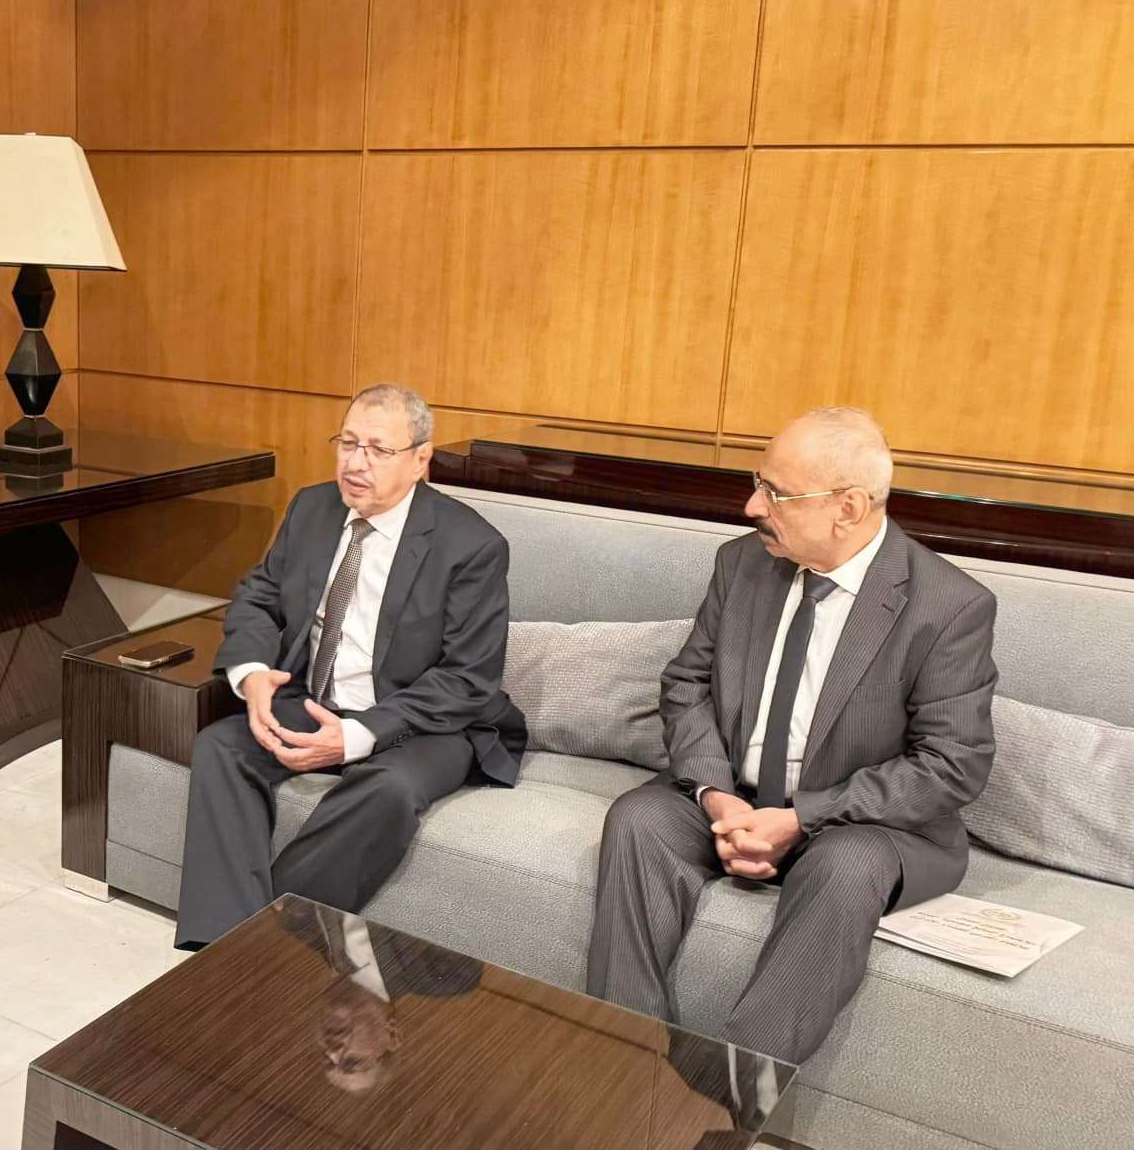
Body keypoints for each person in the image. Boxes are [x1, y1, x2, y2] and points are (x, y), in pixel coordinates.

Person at [587, 407, 997, 1068]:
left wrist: (801, 818)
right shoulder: (742, 564)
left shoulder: (948, 606)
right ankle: (622, 1068)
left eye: (776, 493)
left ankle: (738, 1097)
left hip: (859, 826)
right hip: (737, 797)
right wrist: (717, 796)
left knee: (844, 866)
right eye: (758, 483)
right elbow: (687, 684)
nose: (752, 507)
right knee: (639, 818)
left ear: (849, 508)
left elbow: (951, 766)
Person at [174, 383, 526, 950]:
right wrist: (253, 673)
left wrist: (358, 736)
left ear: (420, 460)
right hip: (316, 699)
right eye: (348, 443)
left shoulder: (471, 545)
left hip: (424, 723)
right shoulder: (312, 507)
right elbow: (259, 595)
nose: (356, 463)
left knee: (388, 789)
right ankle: (219, 949)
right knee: (222, 747)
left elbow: (467, 678)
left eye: (378, 450)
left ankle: (261, 949)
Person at [276, 898, 481, 1094]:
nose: (332, 1052)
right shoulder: (448, 974)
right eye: (353, 1062)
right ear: (392, 1035)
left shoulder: (297, 921)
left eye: (326, 1059)